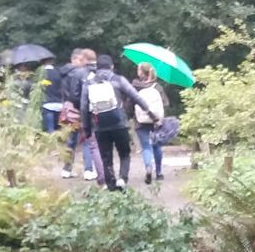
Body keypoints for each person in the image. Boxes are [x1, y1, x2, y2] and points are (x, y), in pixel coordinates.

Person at [77, 53, 161, 191]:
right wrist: (151, 115)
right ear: (112, 66)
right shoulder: (118, 80)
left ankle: (110, 184)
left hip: (100, 126)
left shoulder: (88, 84)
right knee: (124, 153)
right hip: (119, 124)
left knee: (106, 156)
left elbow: (84, 108)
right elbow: (136, 97)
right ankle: (122, 178)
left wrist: (86, 129)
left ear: (97, 67)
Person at [55, 48, 99, 180]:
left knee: (71, 140)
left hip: (70, 109)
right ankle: (88, 169)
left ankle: (67, 169)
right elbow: (77, 95)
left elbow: (70, 93)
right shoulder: (82, 73)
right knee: (87, 139)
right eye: (80, 59)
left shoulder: (65, 72)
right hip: (83, 109)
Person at [131, 64, 170, 186]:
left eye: (138, 69)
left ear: (142, 73)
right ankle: (158, 173)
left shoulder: (135, 86)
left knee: (146, 146)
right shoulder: (157, 87)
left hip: (140, 121)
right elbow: (165, 104)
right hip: (156, 121)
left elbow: (129, 103)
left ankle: (148, 167)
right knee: (156, 146)